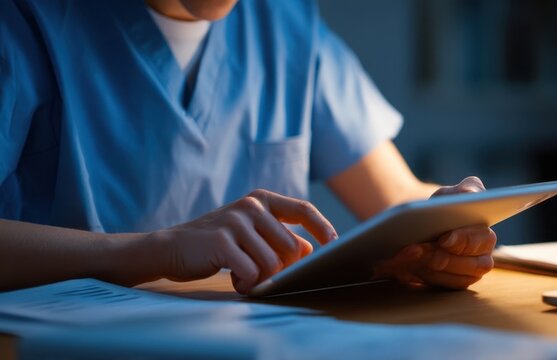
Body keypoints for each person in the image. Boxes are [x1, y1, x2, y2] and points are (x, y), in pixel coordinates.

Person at [0, 0, 497, 294]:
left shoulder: (282, 23)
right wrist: (151, 250)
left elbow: (395, 197)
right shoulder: (27, 21)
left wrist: (445, 228)